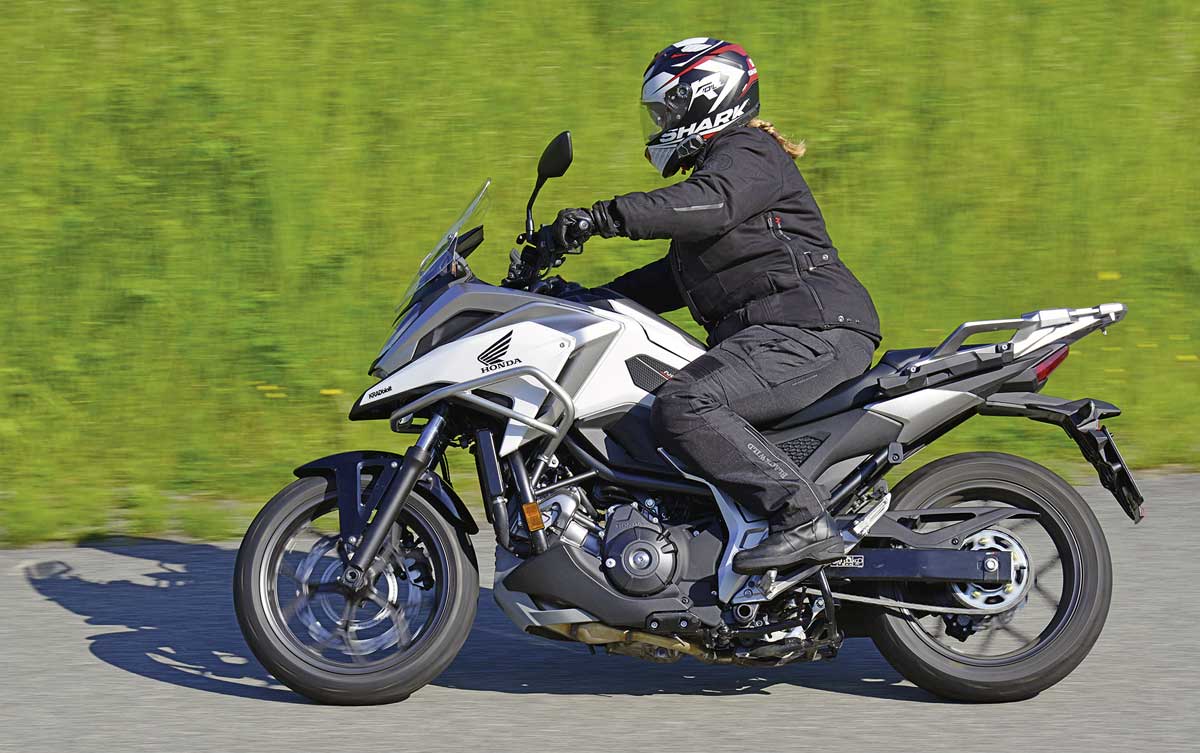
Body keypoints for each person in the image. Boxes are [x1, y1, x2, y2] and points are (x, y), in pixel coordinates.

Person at [552, 38, 882, 573]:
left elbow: (708, 205)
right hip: (781, 333)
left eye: (667, 110)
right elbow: (672, 280)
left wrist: (603, 216)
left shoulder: (747, 156)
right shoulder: (727, 172)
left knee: (685, 404)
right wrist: (584, 299)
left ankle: (803, 518)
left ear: (707, 98)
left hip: (812, 328)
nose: (659, 124)